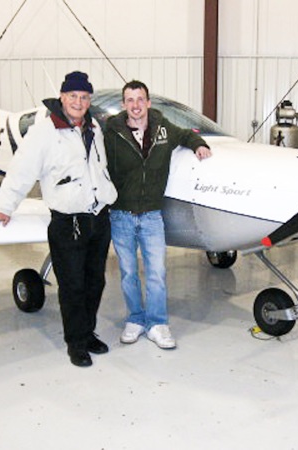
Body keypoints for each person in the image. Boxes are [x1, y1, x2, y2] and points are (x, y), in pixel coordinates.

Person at [0, 71, 117, 368]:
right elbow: (21, 171)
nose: (78, 102)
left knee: (95, 282)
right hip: (68, 222)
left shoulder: (93, 126)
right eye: (73, 96)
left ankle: (88, 332)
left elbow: (99, 167)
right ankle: (76, 343)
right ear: (62, 98)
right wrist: (5, 207)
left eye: (84, 97)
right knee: (72, 286)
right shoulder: (44, 132)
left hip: (98, 217)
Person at [104, 80, 212, 349]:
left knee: (157, 272)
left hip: (152, 216)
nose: (136, 105)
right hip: (121, 215)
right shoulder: (111, 131)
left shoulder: (164, 128)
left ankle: (157, 324)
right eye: (130, 100)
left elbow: (187, 134)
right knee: (128, 273)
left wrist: (198, 144)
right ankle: (136, 319)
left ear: (148, 103)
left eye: (140, 99)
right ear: (123, 105)